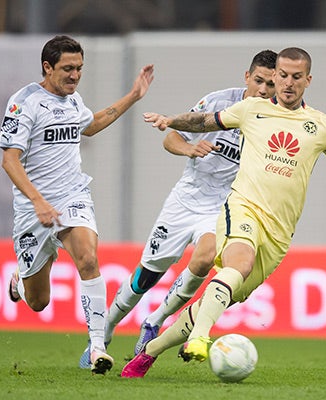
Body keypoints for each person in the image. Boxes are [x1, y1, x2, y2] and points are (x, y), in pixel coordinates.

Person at [121, 47, 326, 378]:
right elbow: (203, 121)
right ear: (274, 76)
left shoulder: (320, 125)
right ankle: (200, 338)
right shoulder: (250, 109)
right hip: (242, 209)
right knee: (239, 263)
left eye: (296, 77)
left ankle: (148, 354)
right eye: (282, 75)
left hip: (279, 234)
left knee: (221, 295)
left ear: (308, 80)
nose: (287, 83)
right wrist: (171, 120)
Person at [78, 49, 277, 369]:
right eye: (259, 81)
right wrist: (190, 149)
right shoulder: (218, 102)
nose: (264, 90)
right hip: (186, 200)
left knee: (205, 257)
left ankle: (154, 322)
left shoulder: (274, 122)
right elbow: (171, 138)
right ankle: (105, 331)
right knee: (146, 276)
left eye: (270, 84)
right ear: (246, 77)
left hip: (224, 205)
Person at [0, 35, 154, 375]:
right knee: (38, 302)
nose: (75, 75)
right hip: (33, 209)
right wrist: (38, 202)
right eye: (68, 69)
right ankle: (19, 280)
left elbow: (91, 125)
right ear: (47, 67)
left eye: (80, 69)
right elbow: (10, 160)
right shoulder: (24, 102)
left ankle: (98, 346)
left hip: (73, 196)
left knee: (88, 257)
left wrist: (134, 96)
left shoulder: (73, 100)